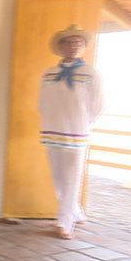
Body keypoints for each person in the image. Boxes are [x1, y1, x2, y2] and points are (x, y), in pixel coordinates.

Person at [38, 25, 104, 240]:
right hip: (51, 130)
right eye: (69, 42)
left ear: (84, 47)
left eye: (79, 43)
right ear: (60, 46)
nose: (74, 46)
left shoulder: (91, 72)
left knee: (73, 177)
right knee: (58, 176)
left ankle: (64, 222)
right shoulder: (49, 73)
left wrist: (83, 124)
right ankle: (76, 212)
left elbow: (98, 105)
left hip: (76, 132)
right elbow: (42, 102)